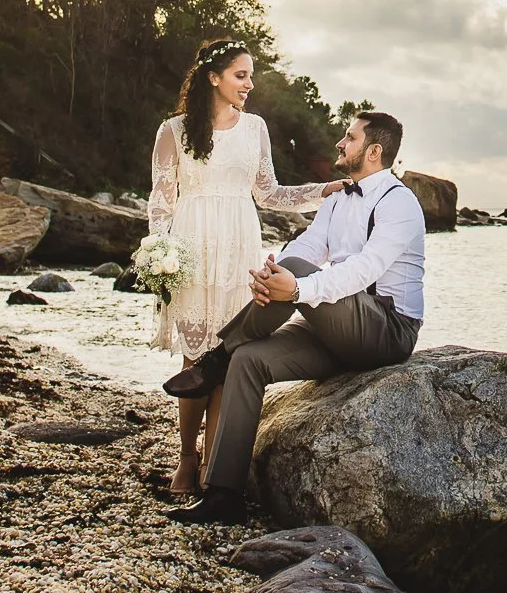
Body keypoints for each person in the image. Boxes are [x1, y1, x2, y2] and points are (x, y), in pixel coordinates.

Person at [164, 110, 425, 525]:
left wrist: (298, 288)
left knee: (298, 275)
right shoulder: (338, 197)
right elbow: (308, 246)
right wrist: (273, 275)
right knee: (250, 360)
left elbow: (365, 270)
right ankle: (223, 495)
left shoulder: (400, 202)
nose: (340, 143)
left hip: (386, 328)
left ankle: (216, 357)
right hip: (337, 326)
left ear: (374, 151)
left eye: (349, 137)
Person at [147, 39, 337, 499]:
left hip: (239, 246)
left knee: (228, 356)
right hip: (191, 248)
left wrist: (322, 191)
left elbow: (269, 193)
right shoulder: (173, 130)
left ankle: (213, 465)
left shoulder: (255, 128)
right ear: (214, 77)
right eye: (241, 75)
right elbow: (160, 203)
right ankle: (186, 459)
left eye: (251, 76)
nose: (249, 84)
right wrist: (160, 254)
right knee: (196, 356)